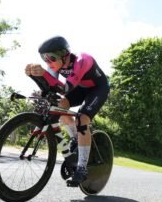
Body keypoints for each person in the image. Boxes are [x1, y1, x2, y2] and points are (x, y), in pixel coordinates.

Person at [25, 36, 109, 187]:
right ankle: (75, 138)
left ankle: (82, 168)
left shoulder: (81, 60)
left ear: (64, 55)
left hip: (97, 89)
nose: (48, 63)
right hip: (80, 88)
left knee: (82, 119)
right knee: (59, 107)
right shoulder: (55, 66)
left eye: (51, 58)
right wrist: (34, 76)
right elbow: (51, 88)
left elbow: (64, 89)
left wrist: (43, 74)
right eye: (44, 59)